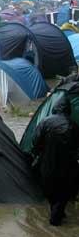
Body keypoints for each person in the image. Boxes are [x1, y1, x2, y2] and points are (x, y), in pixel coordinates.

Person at [31, 96, 79, 226]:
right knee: (65, 190)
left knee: (50, 189)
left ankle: (55, 215)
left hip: (48, 164)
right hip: (68, 166)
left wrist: (38, 153)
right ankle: (57, 213)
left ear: (55, 108)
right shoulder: (74, 125)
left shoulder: (45, 121)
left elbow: (35, 141)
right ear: (68, 110)